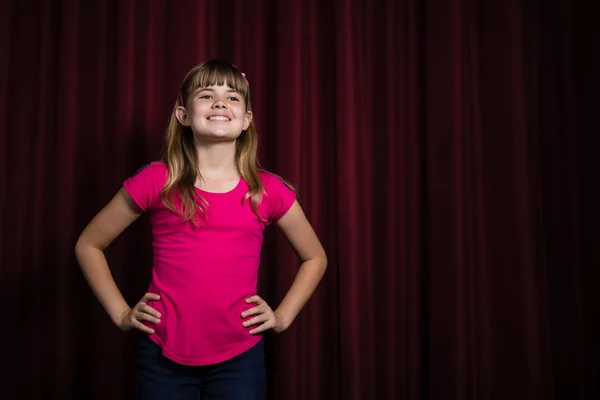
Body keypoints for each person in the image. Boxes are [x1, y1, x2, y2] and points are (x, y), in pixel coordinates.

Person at [75, 59, 327, 399]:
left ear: (247, 120)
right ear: (184, 115)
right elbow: (89, 244)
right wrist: (121, 313)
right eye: (207, 95)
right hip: (161, 353)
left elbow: (315, 257)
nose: (220, 102)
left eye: (233, 97)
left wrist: (282, 315)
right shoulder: (157, 180)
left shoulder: (267, 190)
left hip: (240, 357)